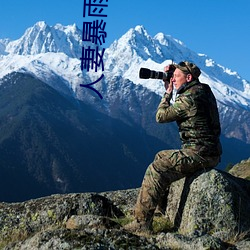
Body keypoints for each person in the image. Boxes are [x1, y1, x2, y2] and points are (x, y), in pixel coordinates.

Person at [124, 61, 222, 233]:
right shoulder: (203, 90)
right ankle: (161, 210)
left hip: (199, 153)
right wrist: (175, 72)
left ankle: (141, 224)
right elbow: (185, 81)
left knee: (157, 168)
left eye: (177, 77)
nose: (173, 79)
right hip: (209, 151)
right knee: (161, 156)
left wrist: (167, 93)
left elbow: (160, 117)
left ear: (189, 78)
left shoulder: (189, 99)